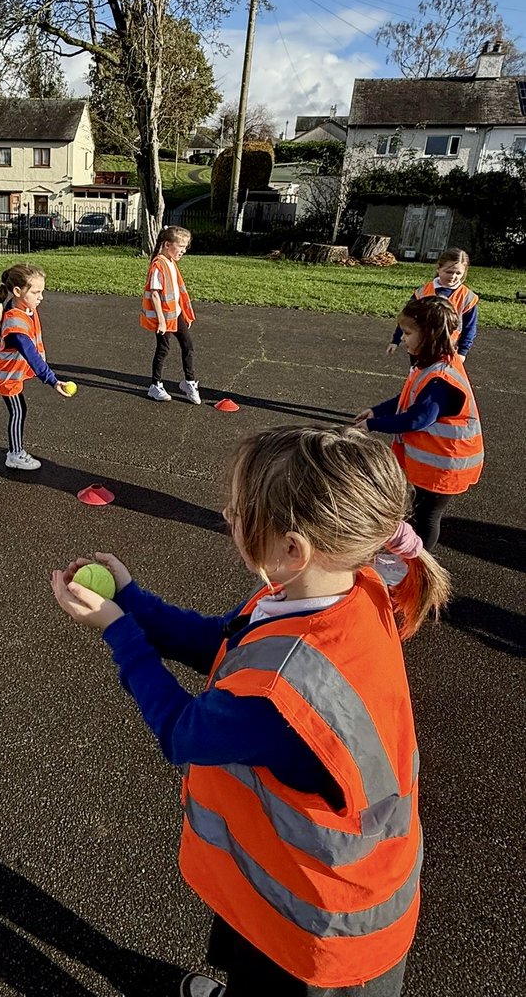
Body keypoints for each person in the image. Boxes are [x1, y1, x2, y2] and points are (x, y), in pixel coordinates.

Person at [52, 425, 451, 997]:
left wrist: (119, 632)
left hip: (319, 931)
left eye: (241, 511)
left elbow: (181, 732)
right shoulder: (345, 586)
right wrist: (134, 601)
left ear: (293, 548)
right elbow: (224, 640)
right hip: (306, 883)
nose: (227, 515)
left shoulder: (282, 694)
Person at [356, 295, 483, 551]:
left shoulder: (440, 379)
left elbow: (417, 419)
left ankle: (418, 561)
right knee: (416, 511)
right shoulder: (430, 366)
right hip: (434, 463)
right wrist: (376, 410)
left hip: (444, 466)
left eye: (407, 333)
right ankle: (410, 554)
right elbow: (407, 398)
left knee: (426, 516)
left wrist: (374, 425)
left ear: (428, 335)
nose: (402, 338)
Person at [0, 263, 70, 470]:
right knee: (18, 410)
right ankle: (15, 454)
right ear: (17, 291)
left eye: (42, 291)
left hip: (1, 366)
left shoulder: (22, 306)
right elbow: (31, 354)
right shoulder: (16, 323)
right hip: (7, 373)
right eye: (35, 292)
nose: (41, 297)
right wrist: (52, 380)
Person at [141, 225, 200, 403]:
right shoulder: (158, 264)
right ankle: (155, 385)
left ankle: (189, 382)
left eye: (185, 247)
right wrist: (160, 321)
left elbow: (177, 292)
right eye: (180, 246)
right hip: (164, 318)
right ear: (167, 244)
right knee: (163, 349)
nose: (183, 250)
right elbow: (155, 295)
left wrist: (185, 315)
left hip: (176, 314)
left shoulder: (171, 263)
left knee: (188, 346)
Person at [386, 248, 478, 362]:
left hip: (448, 349)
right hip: (420, 346)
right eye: (449, 272)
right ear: (438, 268)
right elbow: (407, 319)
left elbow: (469, 328)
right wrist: (395, 340)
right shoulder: (422, 292)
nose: (453, 276)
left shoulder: (468, 297)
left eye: (458, 273)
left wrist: (462, 352)